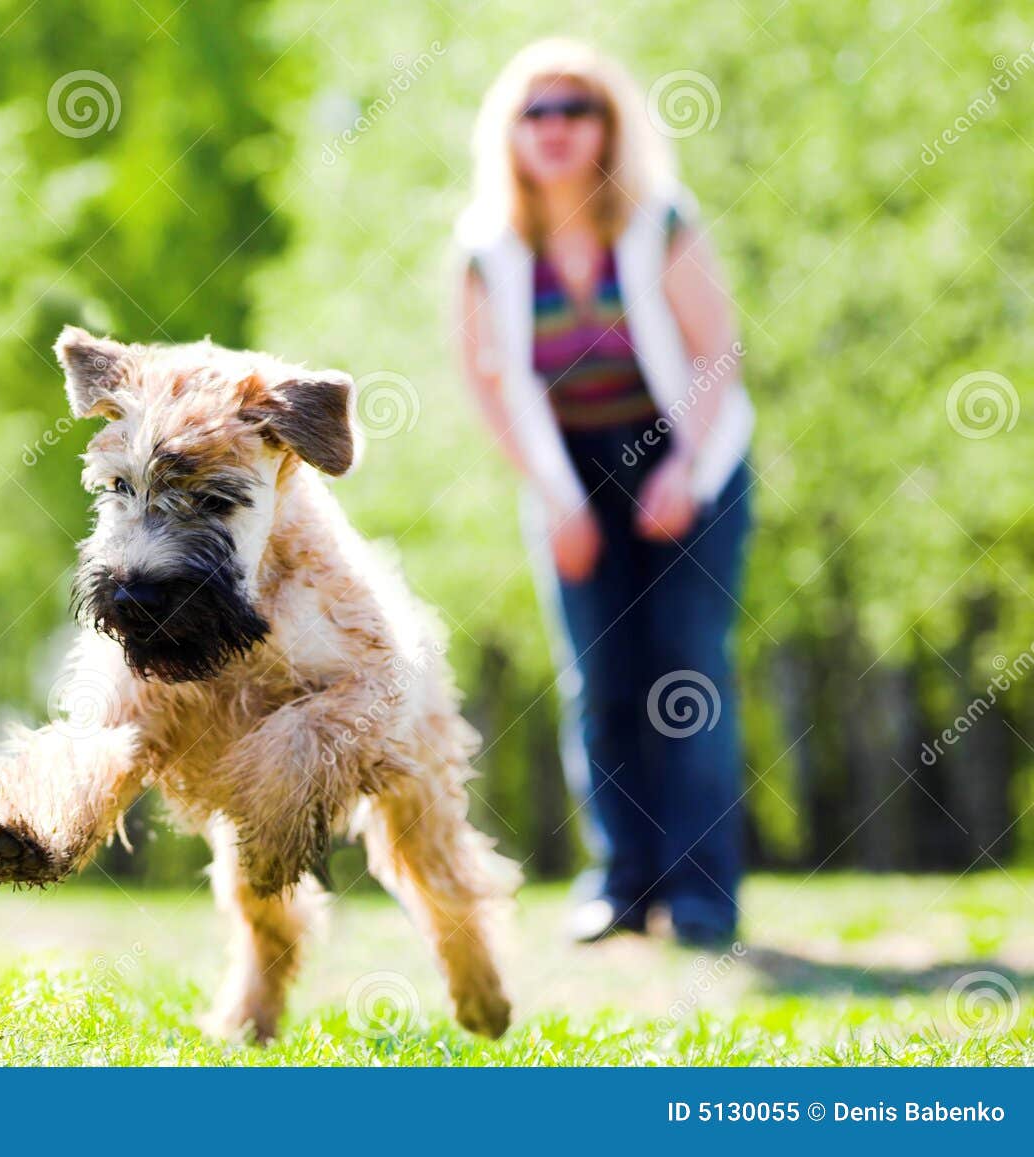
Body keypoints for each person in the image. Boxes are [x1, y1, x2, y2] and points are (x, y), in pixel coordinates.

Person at [454, 38, 754, 947]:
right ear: (510, 132)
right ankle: (619, 885)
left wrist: (680, 472)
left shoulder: (659, 218)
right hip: (567, 472)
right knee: (602, 679)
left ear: (607, 127)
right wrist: (557, 498)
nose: (553, 127)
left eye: (574, 109)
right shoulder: (486, 248)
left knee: (687, 670)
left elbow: (717, 355)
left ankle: (700, 894)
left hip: (687, 455)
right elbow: (490, 385)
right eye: (534, 112)